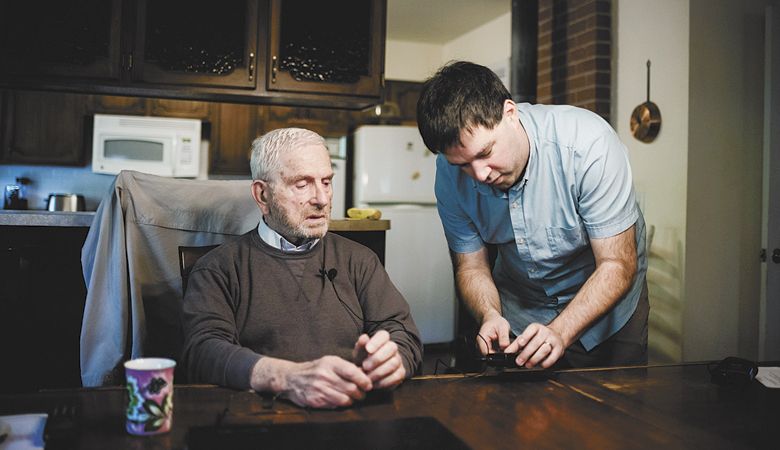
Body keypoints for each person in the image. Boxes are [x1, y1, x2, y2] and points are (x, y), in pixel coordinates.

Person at [416, 61, 648, 370]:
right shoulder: (449, 175)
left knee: (614, 411)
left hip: (610, 313)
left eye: (485, 153)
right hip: (521, 310)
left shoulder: (588, 144)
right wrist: (490, 315)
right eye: (463, 164)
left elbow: (617, 264)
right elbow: (471, 267)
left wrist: (560, 331)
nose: (479, 174)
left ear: (510, 114)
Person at [181, 128, 422, 409]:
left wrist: (395, 359)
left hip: (353, 417)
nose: (321, 199)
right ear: (263, 195)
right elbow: (202, 351)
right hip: (264, 421)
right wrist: (287, 378)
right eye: (302, 184)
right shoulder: (219, 269)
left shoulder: (360, 261)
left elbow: (403, 333)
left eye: (327, 182)